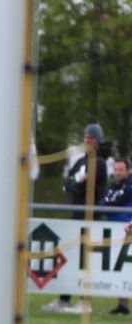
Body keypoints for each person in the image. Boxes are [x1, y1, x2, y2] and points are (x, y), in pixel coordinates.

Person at [43, 123, 110, 314]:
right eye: (85, 137)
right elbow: (69, 182)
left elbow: (80, 185)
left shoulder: (99, 162)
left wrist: (74, 183)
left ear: (97, 141)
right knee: (71, 257)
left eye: (91, 138)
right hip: (76, 215)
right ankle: (64, 299)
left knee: (85, 259)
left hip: (90, 217)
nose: (87, 140)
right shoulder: (82, 161)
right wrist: (74, 182)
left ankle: (84, 301)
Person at [100, 157, 132, 315]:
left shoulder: (130, 187)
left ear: (128, 171)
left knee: (127, 267)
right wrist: (110, 204)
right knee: (120, 268)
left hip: (127, 231)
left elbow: (117, 202)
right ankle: (123, 306)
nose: (118, 173)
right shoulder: (112, 187)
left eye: (121, 170)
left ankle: (123, 304)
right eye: (116, 169)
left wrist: (110, 205)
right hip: (111, 231)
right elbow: (101, 205)